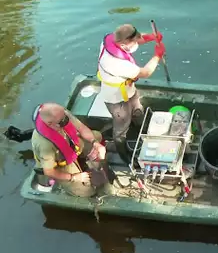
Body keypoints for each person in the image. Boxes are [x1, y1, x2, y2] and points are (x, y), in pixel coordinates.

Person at [97, 24, 166, 163]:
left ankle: (142, 127)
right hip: (116, 99)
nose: (137, 43)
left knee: (137, 109)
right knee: (121, 127)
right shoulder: (115, 62)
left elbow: (137, 39)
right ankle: (124, 154)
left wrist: (152, 37)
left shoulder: (113, 39)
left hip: (129, 90)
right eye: (134, 42)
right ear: (123, 45)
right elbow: (145, 72)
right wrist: (157, 56)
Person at [31, 103, 109, 197]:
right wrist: (74, 177)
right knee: (87, 192)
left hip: (71, 145)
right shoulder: (44, 144)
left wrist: (95, 143)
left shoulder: (62, 115)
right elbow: (49, 171)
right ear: (50, 124)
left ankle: (83, 160)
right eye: (62, 121)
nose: (66, 121)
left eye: (65, 117)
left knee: (97, 136)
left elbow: (81, 128)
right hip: (61, 162)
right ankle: (70, 183)